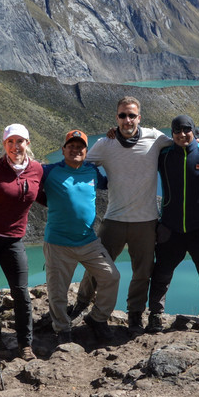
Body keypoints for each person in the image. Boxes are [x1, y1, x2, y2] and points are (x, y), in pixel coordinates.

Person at [74, 97, 171, 332]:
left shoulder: (155, 137)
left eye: (131, 115)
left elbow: (184, 143)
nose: (127, 120)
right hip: (114, 218)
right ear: (116, 117)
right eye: (122, 115)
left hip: (146, 220)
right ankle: (81, 304)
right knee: (97, 266)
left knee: (142, 272)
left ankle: (135, 313)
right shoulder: (106, 144)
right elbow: (79, 163)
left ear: (139, 117)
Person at [146, 115, 199, 333]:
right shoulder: (163, 156)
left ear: (194, 131)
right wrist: (115, 135)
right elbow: (137, 151)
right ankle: (155, 315)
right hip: (170, 228)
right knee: (161, 273)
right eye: (177, 131)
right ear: (171, 133)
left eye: (186, 130)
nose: (182, 134)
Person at [39, 130, 120, 344]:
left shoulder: (92, 170)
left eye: (80, 147)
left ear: (86, 150)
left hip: (88, 240)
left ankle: (98, 318)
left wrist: (117, 140)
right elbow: (25, 179)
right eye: (71, 146)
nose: (75, 150)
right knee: (58, 291)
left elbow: (109, 183)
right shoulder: (48, 171)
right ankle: (63, 329)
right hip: (58, 243)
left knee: (111, 276)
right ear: (63, 149)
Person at [0, 123, 44, 360]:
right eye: (10, 142)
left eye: (20, 141)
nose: (15, 146)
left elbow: (44, 195)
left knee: (21, 292)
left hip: (14, 239)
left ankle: (25, 344)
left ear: (28, 143)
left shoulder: (37, 170)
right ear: (4, 145)